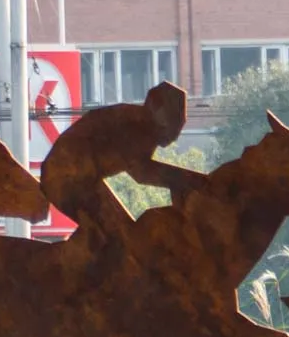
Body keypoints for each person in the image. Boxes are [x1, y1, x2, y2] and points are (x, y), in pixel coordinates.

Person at [40, 80, 207, 256]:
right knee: (120, 237)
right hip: (66, 177)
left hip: (79, 176)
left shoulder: (142, 125)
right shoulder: (136, 126)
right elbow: (142, 172)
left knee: (123, 235)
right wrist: (192, 180)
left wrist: (184, 182)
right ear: (156, 110)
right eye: (172, 124)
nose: (173, 135)